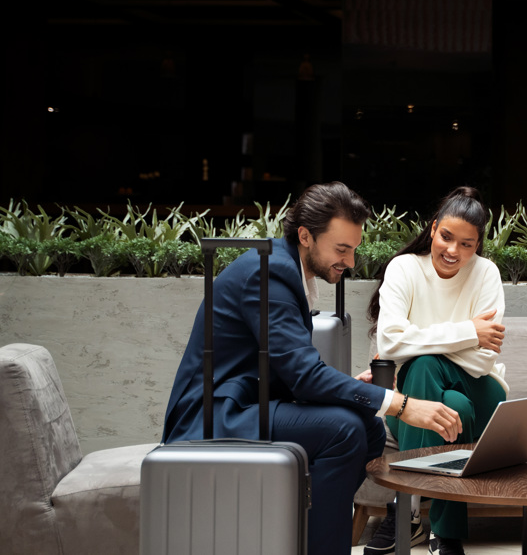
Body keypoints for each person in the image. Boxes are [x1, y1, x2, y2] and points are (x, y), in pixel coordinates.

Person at [162, 182, 463, 555]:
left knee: (367, 427)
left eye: (354, 249)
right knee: (344, 430)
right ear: (305, 235)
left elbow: (290, 369)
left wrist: (355, 392)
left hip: (248, 403)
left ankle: (303, 536)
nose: (350, 262)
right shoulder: (268, 271)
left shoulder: (286, 266)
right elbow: (303, 375)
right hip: (213, 415)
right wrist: (402, 404)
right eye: (341, 249)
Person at [364, 186, 507, 555]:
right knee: (452, 404)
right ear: (432, 229)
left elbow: (482, 362)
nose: (453, 251)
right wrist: (468, 332)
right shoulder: (405, 269)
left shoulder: (486, 274)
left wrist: (417, 345)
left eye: (467, 244)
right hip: (408, 404)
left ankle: (405, 512)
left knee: (424, 363)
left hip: (484, 389)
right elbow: (391, 344)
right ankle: (446, 534)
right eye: (446, 237)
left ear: (478, 245)